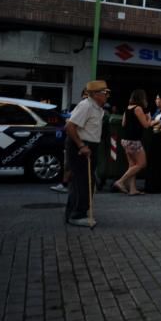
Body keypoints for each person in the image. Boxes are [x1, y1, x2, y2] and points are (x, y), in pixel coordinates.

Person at [64, 80, 109, 226]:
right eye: (105, 92)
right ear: (96, 94)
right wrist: (81, 145)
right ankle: (77, 215)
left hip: (90, 145)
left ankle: (74, 212)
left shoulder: (96, 107)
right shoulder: (86, 106)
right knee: (82, 182)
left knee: (84, 181)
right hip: (81, 146)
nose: (107, 95)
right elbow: (70, 126)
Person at [114, 89, 153, 196]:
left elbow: (123, 123)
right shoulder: (138, 109)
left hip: (125, 140)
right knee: (142, 164)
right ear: (141, 98)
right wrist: (149, 118)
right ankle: (120, 181)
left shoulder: (128, 108)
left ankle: (133, 189)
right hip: (134, 141)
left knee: (132, 165)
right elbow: (146, 125)